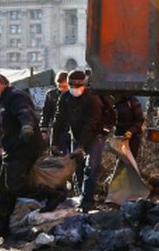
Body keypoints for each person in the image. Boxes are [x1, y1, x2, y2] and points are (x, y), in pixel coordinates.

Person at [0, 74, 65, 241]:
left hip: (24, 147)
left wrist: (27, 126)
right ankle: (2, 226)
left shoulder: (14, 96)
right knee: (2, 189)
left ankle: (53, 194)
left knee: (15, 184)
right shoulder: (4, 100)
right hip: (13, 147)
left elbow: (25, 112)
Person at [52, 69, 104, 211]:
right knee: (77, 169)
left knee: (91, 167)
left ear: (84, 84)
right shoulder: (64, 98)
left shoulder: (92, 98)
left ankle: (88, 201)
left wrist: (81, 146)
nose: (75, 88)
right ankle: (82, 196)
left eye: (78, 85)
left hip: (94, 136)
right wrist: (54, 143)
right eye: (72, 85)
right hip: (76, 136)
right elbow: (58, 120)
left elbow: (91, 124)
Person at [41, 71, 69, 150]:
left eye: (64, 86)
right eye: (59, 86)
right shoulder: (51, 95)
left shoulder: (73, 95)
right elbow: (46, 112)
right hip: (57, 128)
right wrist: (44, 128)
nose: (62, 89)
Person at [114, 94, 145, 158]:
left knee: (130, 158)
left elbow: (140, 120)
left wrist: (131, 131)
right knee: (120, 157)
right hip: (120, 135)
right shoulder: (115, 102)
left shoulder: (132, 101)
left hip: (133, 136)